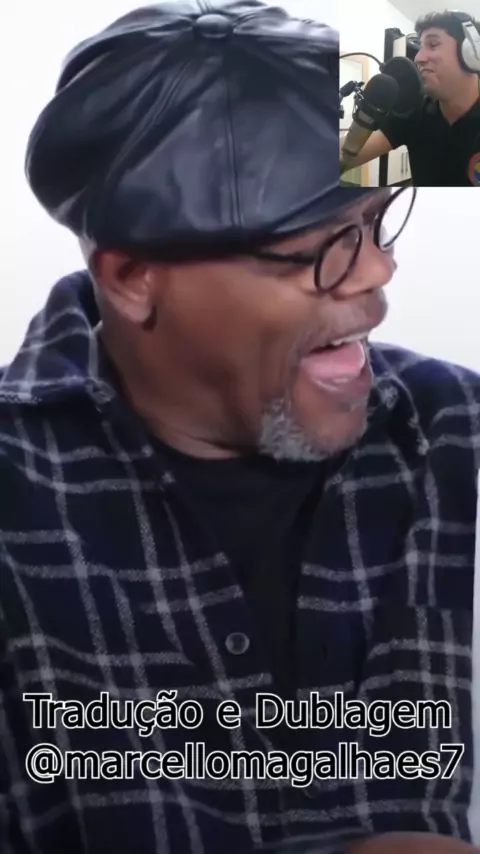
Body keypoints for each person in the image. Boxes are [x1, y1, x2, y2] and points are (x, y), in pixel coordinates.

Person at [1, 2, 480, 853]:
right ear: (134, 276)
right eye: (319, 249)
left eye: (376, 222)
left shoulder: (457, 436)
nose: (378, 271)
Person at [340, 11, 480, 186]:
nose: (418, 57)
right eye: (421, 47)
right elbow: (346, 154)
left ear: (472, 53)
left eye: (433, 44)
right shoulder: (414, 110)